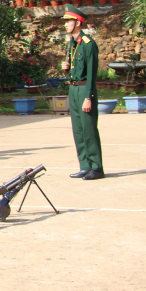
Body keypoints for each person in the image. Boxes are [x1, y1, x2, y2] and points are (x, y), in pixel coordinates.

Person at [62, 10, 104, 180]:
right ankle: (85, 165)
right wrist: (64, 68)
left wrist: (88, 97)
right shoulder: (70, 44)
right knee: (78, 130)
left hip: (85, 89)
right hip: (73, 88)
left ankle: (96, 167)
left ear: (77, 23)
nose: (65, 24)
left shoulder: (88, 44)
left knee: (89, 129)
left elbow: (92, 74)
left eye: (68, 21)